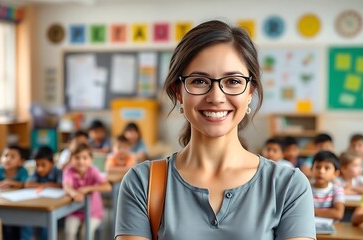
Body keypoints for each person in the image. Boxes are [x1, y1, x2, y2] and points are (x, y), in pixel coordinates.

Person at [115, 20, 315, 240]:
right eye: (200, 80)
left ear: (250, 91)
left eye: (233, 81)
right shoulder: (142, 183)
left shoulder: (288, 186)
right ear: (179, 92)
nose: (216, 97)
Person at [63, 143, 112, 240]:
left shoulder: (93, 171)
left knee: (85, 233)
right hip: (74, 211)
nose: (81, 161)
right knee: (69, 231)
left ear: (91, 160)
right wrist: (74, 193)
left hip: (93, 212)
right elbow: (66, 186)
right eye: (77, 158)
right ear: (71, 159)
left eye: (85, 158)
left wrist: (88, 188)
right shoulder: (69, 170)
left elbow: (108, 187)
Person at [23, 146, 63, 240]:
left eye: (43, 165)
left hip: (55, 211)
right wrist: (46, 185)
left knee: (45, 226)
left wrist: (46, 185)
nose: (40, 168)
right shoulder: (37, 173)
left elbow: (61, 185)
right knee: (26, 223)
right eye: (37, 165)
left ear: (52, 163)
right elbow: (28, 184)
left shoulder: (58, 172)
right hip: (38, 207)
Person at [0, 145, 29, 240]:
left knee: (20, 227)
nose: (8, 159)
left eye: (12, 156)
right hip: (2, 204)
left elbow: (26, 184)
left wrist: (11, 183)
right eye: (5, 155)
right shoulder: (0, 170)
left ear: (21, 161)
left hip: (19, 206)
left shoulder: (22, 171)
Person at [311, 151, 345, 220]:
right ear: (311, 170)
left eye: (327, 168)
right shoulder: (305, 188)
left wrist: (313, 211)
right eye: (317, 167)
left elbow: (338, 213)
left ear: (336, 173)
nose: (321, 171)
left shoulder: (337, 189)